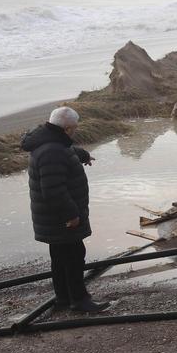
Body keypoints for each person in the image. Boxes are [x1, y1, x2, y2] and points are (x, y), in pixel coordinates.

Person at [22, 106, 108, 313]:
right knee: (74, 257)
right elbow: (53, 190)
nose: (75, 131)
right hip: (61, 217)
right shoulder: (51, 150)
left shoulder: (50, 140)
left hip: (52, 217)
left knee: (60, 257)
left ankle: (62, 299)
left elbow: (66, 152)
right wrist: (71, 214)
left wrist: (83, 155)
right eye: (74, 128)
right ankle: (79, 301)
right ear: (68, 128)